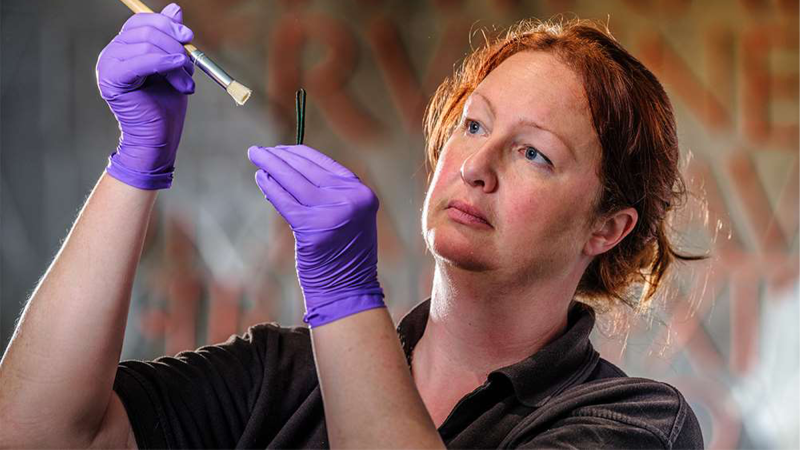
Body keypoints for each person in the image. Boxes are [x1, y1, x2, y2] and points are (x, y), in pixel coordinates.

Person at [0, 3, 705, 449]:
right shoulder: (285, 378)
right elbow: (33, 432)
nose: (475, 166)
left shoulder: (633, 424)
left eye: (533, 153)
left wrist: (345, 293)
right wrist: (135, 163)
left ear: (607, 228)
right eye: (473, 123)